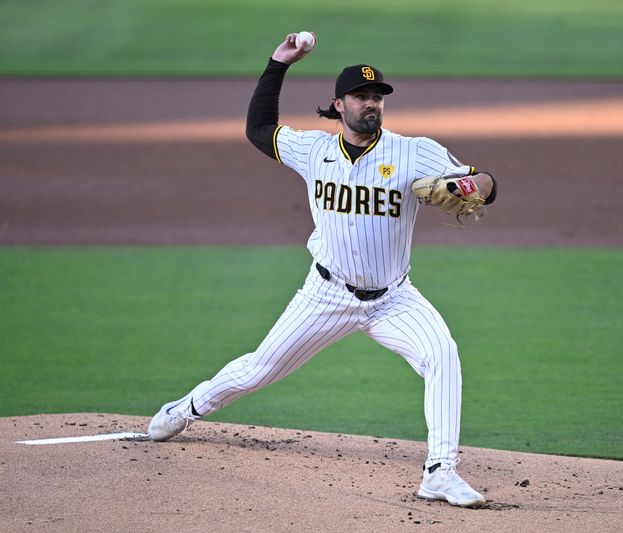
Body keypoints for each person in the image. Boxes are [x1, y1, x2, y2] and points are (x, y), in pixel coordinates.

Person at [147, 32, 497, 508]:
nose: (371, 104)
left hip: (394, 299)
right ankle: (187, 408)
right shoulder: (313, 150)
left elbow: (486, 182)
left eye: (377, 97)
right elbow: (258, 130)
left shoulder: (415, 152)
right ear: (340, 104)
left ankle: (440, 472)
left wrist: (473, 184)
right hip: (325, 295)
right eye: (361, 96)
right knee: (258, 370)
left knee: (443, 354)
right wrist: (278, 64)